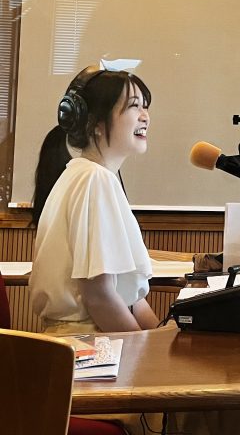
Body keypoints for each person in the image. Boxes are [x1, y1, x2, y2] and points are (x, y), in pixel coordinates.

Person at [29, 66, 159, 334]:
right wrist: (148, 350)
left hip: (92, 340)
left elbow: (130, 300)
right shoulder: (94, 179)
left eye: (145, 107)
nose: (145, 116)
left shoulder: (86, 174)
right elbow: (99, 298)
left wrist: (161, 339)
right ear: (95, 124)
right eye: (133, 106)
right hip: (90, 344)